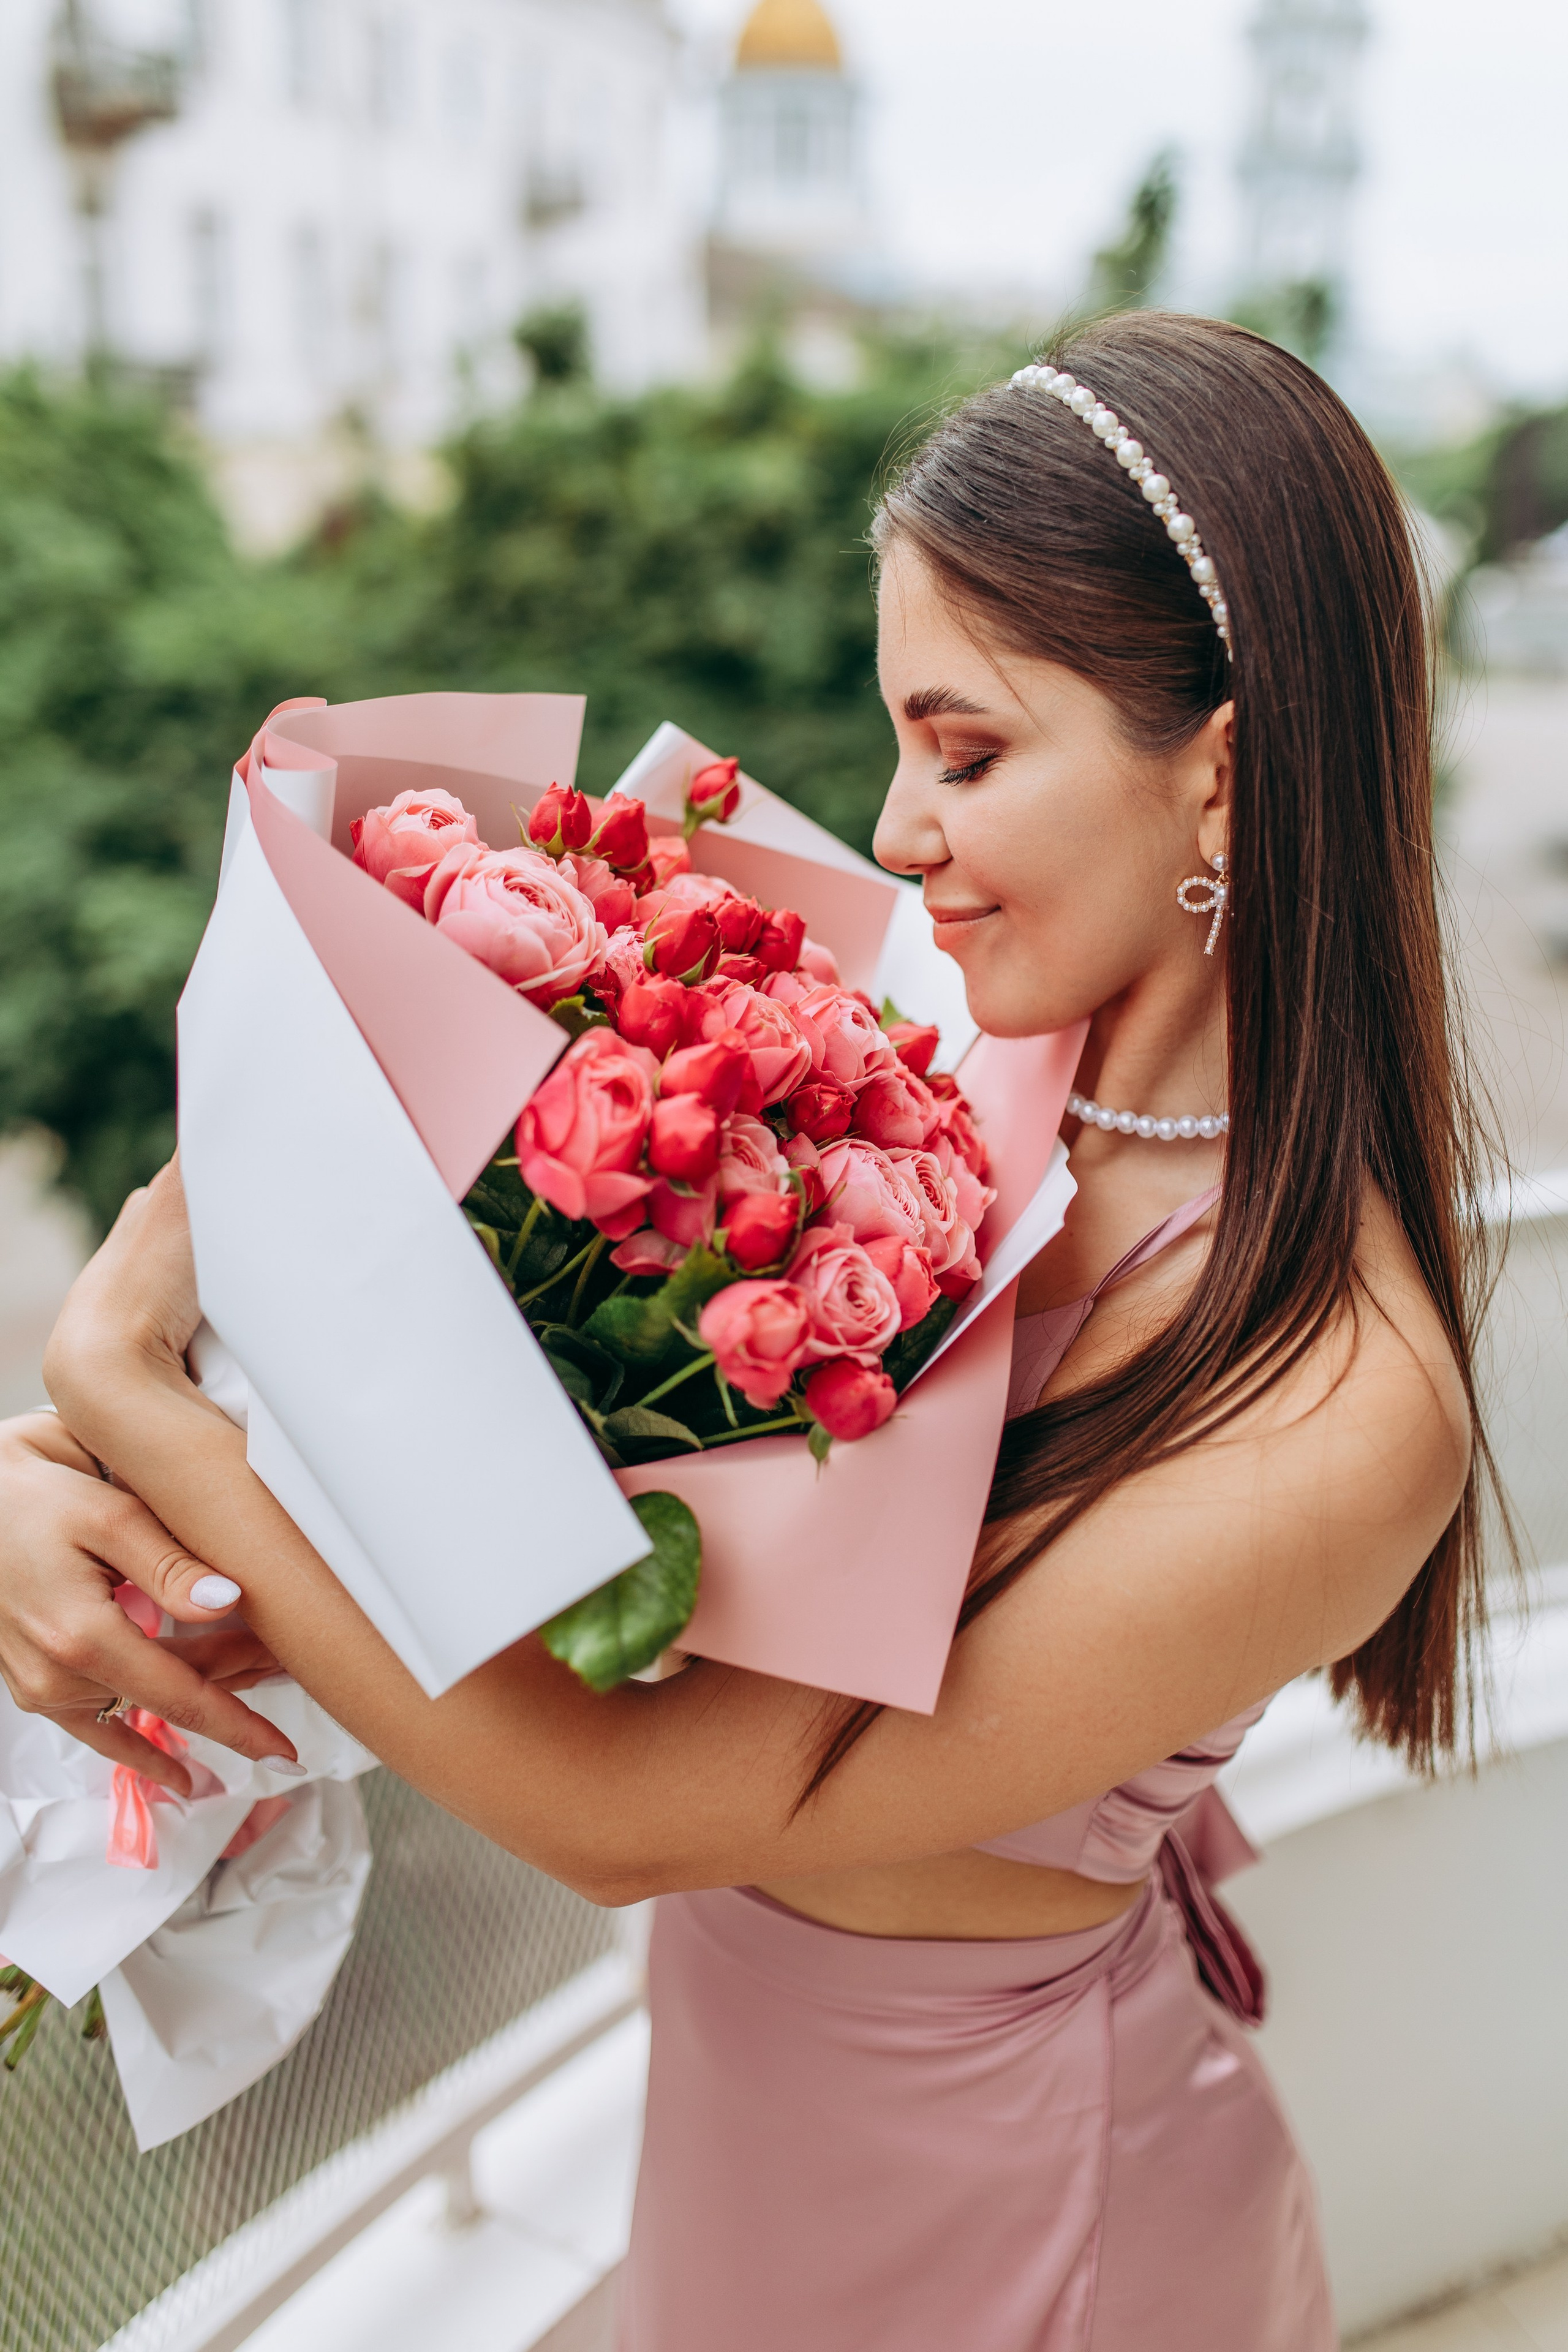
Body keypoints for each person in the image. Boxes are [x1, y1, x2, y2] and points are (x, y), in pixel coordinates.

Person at [0, 312, 1492, 2352]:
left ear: (1217, 770)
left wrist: (120, 1390)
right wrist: (104, 1482)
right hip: (740, 2117)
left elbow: (650, 1811)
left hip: (1027, 2229)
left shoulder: (1337, 1396)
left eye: (966, 754)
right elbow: (564, 1489)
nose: (892, 834)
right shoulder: (948, 1071)